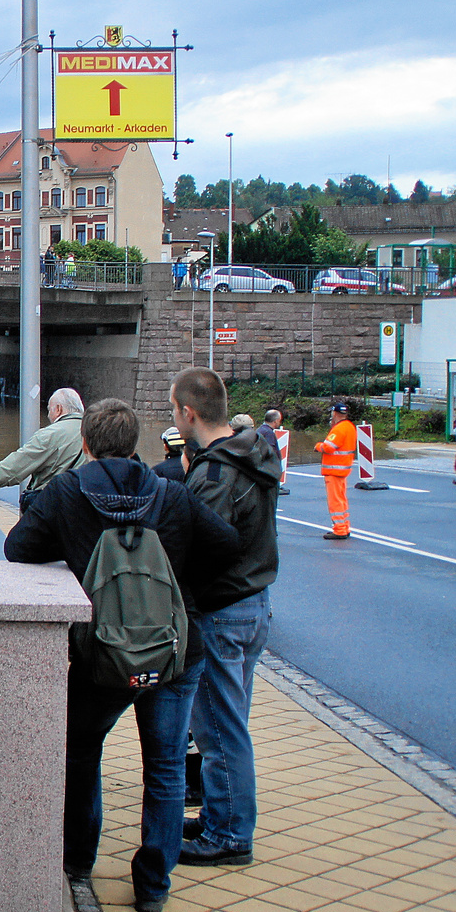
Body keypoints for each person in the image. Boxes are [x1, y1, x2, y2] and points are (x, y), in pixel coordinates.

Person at [4, 397, 241, 912]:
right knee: (165, 765)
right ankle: (153, 885)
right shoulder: (170, 493)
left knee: (83, 752)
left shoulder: (66, 493)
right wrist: (178, 586)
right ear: (135, 444)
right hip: (173, 654)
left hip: (101, 654)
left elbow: (17, 550)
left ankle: (79, 861)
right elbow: (227, 545)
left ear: (85, 444)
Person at [171, 367, 283, 867]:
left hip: (221, 609)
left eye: (175, 409)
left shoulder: (215, 473)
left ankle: (231, 835)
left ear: (188, 413)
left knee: (219, 731)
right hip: (254, 604)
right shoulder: (254, 452)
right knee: (228, 723)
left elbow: (201, 546)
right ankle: (221, 813)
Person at [0, 387, 87, 514]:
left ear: (58, 409)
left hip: (55, 507)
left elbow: (16, 466)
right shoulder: (96, 431)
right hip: (88, 508)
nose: (48, 415)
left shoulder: (50, 434)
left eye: (49, 410)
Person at [315, 403, 356, 540]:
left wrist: (318, 446)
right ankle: (344, 526)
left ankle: (339, 530)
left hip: (333, 471)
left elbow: (328, 447)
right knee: (342, 500)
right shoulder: (350, 427)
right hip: (343, 470)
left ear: (335, 414)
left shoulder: (339, 429)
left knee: (335, 502)